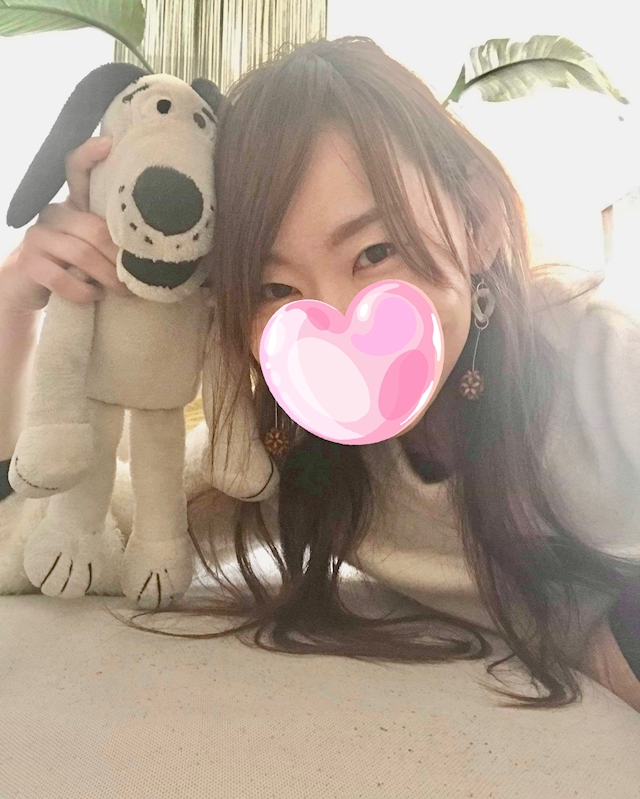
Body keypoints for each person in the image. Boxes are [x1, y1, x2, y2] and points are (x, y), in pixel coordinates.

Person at [1, 36, 640, 713]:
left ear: (477, 219)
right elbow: (43, 539)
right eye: (276, 289)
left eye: (375, 251)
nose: (335, 320)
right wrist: (15, 310)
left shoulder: (600, 363)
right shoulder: (280, 453)